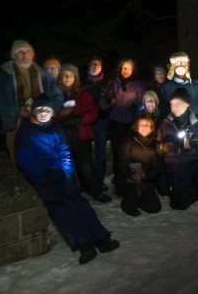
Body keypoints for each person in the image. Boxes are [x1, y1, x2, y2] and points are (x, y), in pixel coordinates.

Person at [14, 95, 120, 265]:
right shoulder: (26, 133)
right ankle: (83, 243)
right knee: (62, 207)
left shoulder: (56, 129)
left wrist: (69, 175)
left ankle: (101, 238)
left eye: (47, 110)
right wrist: (42, 176)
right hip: (43, 178)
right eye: (39, 110)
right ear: (33, 111)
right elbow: (25, 160)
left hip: (61, 175)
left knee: (79, 202)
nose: (43, 113)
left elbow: (65, 153)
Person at [0, 39, 63, 167]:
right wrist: (16, 110)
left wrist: (50, 111)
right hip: (15, 123)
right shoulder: (1, 76)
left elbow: (57, 96)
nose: (24, 55)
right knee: (20, 159)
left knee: (43, 157)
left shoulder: (45, 76)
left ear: (32, 55)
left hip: (42, 123)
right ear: (13, 56)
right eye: (20, 52)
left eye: (27, 52)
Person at [156, 88, 198, 230]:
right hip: (176, 169)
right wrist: (164, 147)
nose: (173, 108)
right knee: (179, 205)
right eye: (171, 104)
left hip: (195, 162)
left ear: (187, 104)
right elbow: (157, 147)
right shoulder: (165, 124)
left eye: (178, 104)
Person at [55, 63, 112, 203]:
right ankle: (71, 192)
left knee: (85, 166)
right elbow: (50, 114)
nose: (67, 77)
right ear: (60, 78)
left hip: (81, 135)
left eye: (71, 75)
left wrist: (80, 119)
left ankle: (96, 191)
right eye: (64, 75)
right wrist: (61, 119)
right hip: (62, 138)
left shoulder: (82, 93)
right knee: (66, 168)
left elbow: (93, 112)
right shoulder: (55, 94)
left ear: (75, 77)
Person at [115, 114, 165, 216]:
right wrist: (132, 173)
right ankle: (127, 205)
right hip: (127, 180)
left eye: (147, 125)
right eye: (142, 125)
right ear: (136, 127)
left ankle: (136, 199)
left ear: (152, 128)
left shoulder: (154, 144)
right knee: (137, 185)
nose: (145, 127)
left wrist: (144, 175)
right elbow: (122, 165)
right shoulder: (127, 142)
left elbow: (156, 169)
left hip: (144, 181)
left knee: (155, 208)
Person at [107, 58, 145, 185]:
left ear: (133, 70)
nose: (125, 70)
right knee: (116, 149)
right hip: (115, 121)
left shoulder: (138, 84)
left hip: (130, 122)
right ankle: (117, 175)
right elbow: (107, 99)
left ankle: (128, 174)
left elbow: (142, 104)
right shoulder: (113, 83)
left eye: (128, 68)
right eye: (123, 68)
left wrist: (135, 107)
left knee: (128, 149)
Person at [81, 54, 110, 192]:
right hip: (85, 123)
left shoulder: (108, 83)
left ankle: (99, 181)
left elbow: (114, 101)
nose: (95, 65)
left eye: (98, 63)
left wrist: (108, 106)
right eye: (93, 63)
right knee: (84, 154)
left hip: (101, 122)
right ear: (88, 66)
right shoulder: (82, 84)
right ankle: (86, 181)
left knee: (101, 154)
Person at [158, 52, 198, 123]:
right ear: (173, 67)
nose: (180, 67)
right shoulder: (165, 88)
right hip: (175, 126)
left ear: (187, 67)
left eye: (183, 65)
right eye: (177, 65)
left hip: (196, 124)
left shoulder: (196, 87)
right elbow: (163, 108)